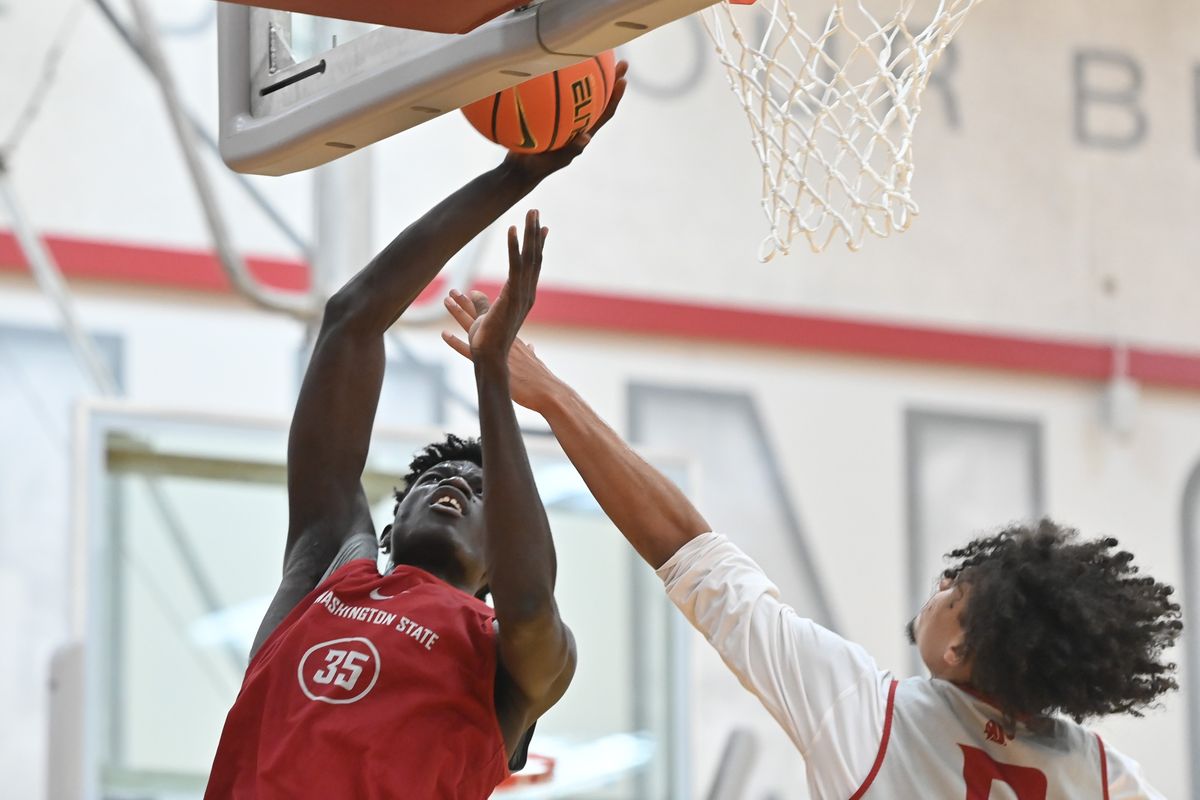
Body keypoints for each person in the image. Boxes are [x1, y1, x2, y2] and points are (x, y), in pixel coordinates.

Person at [442, 291, 1181, 799]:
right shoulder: (1104, 776)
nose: (939, 589)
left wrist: (547, 393)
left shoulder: (873, 719)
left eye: (956, 593)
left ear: (961, 653)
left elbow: (690, 553)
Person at [204, 63, 627, 800]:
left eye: (477, 487)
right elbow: (351, 321)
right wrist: (513, 176)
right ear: (390, 523)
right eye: (432, 479)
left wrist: (492, 371)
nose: (452, 484)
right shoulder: (330, 573)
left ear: (501, 558)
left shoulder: (514, 660)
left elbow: (531, 603)